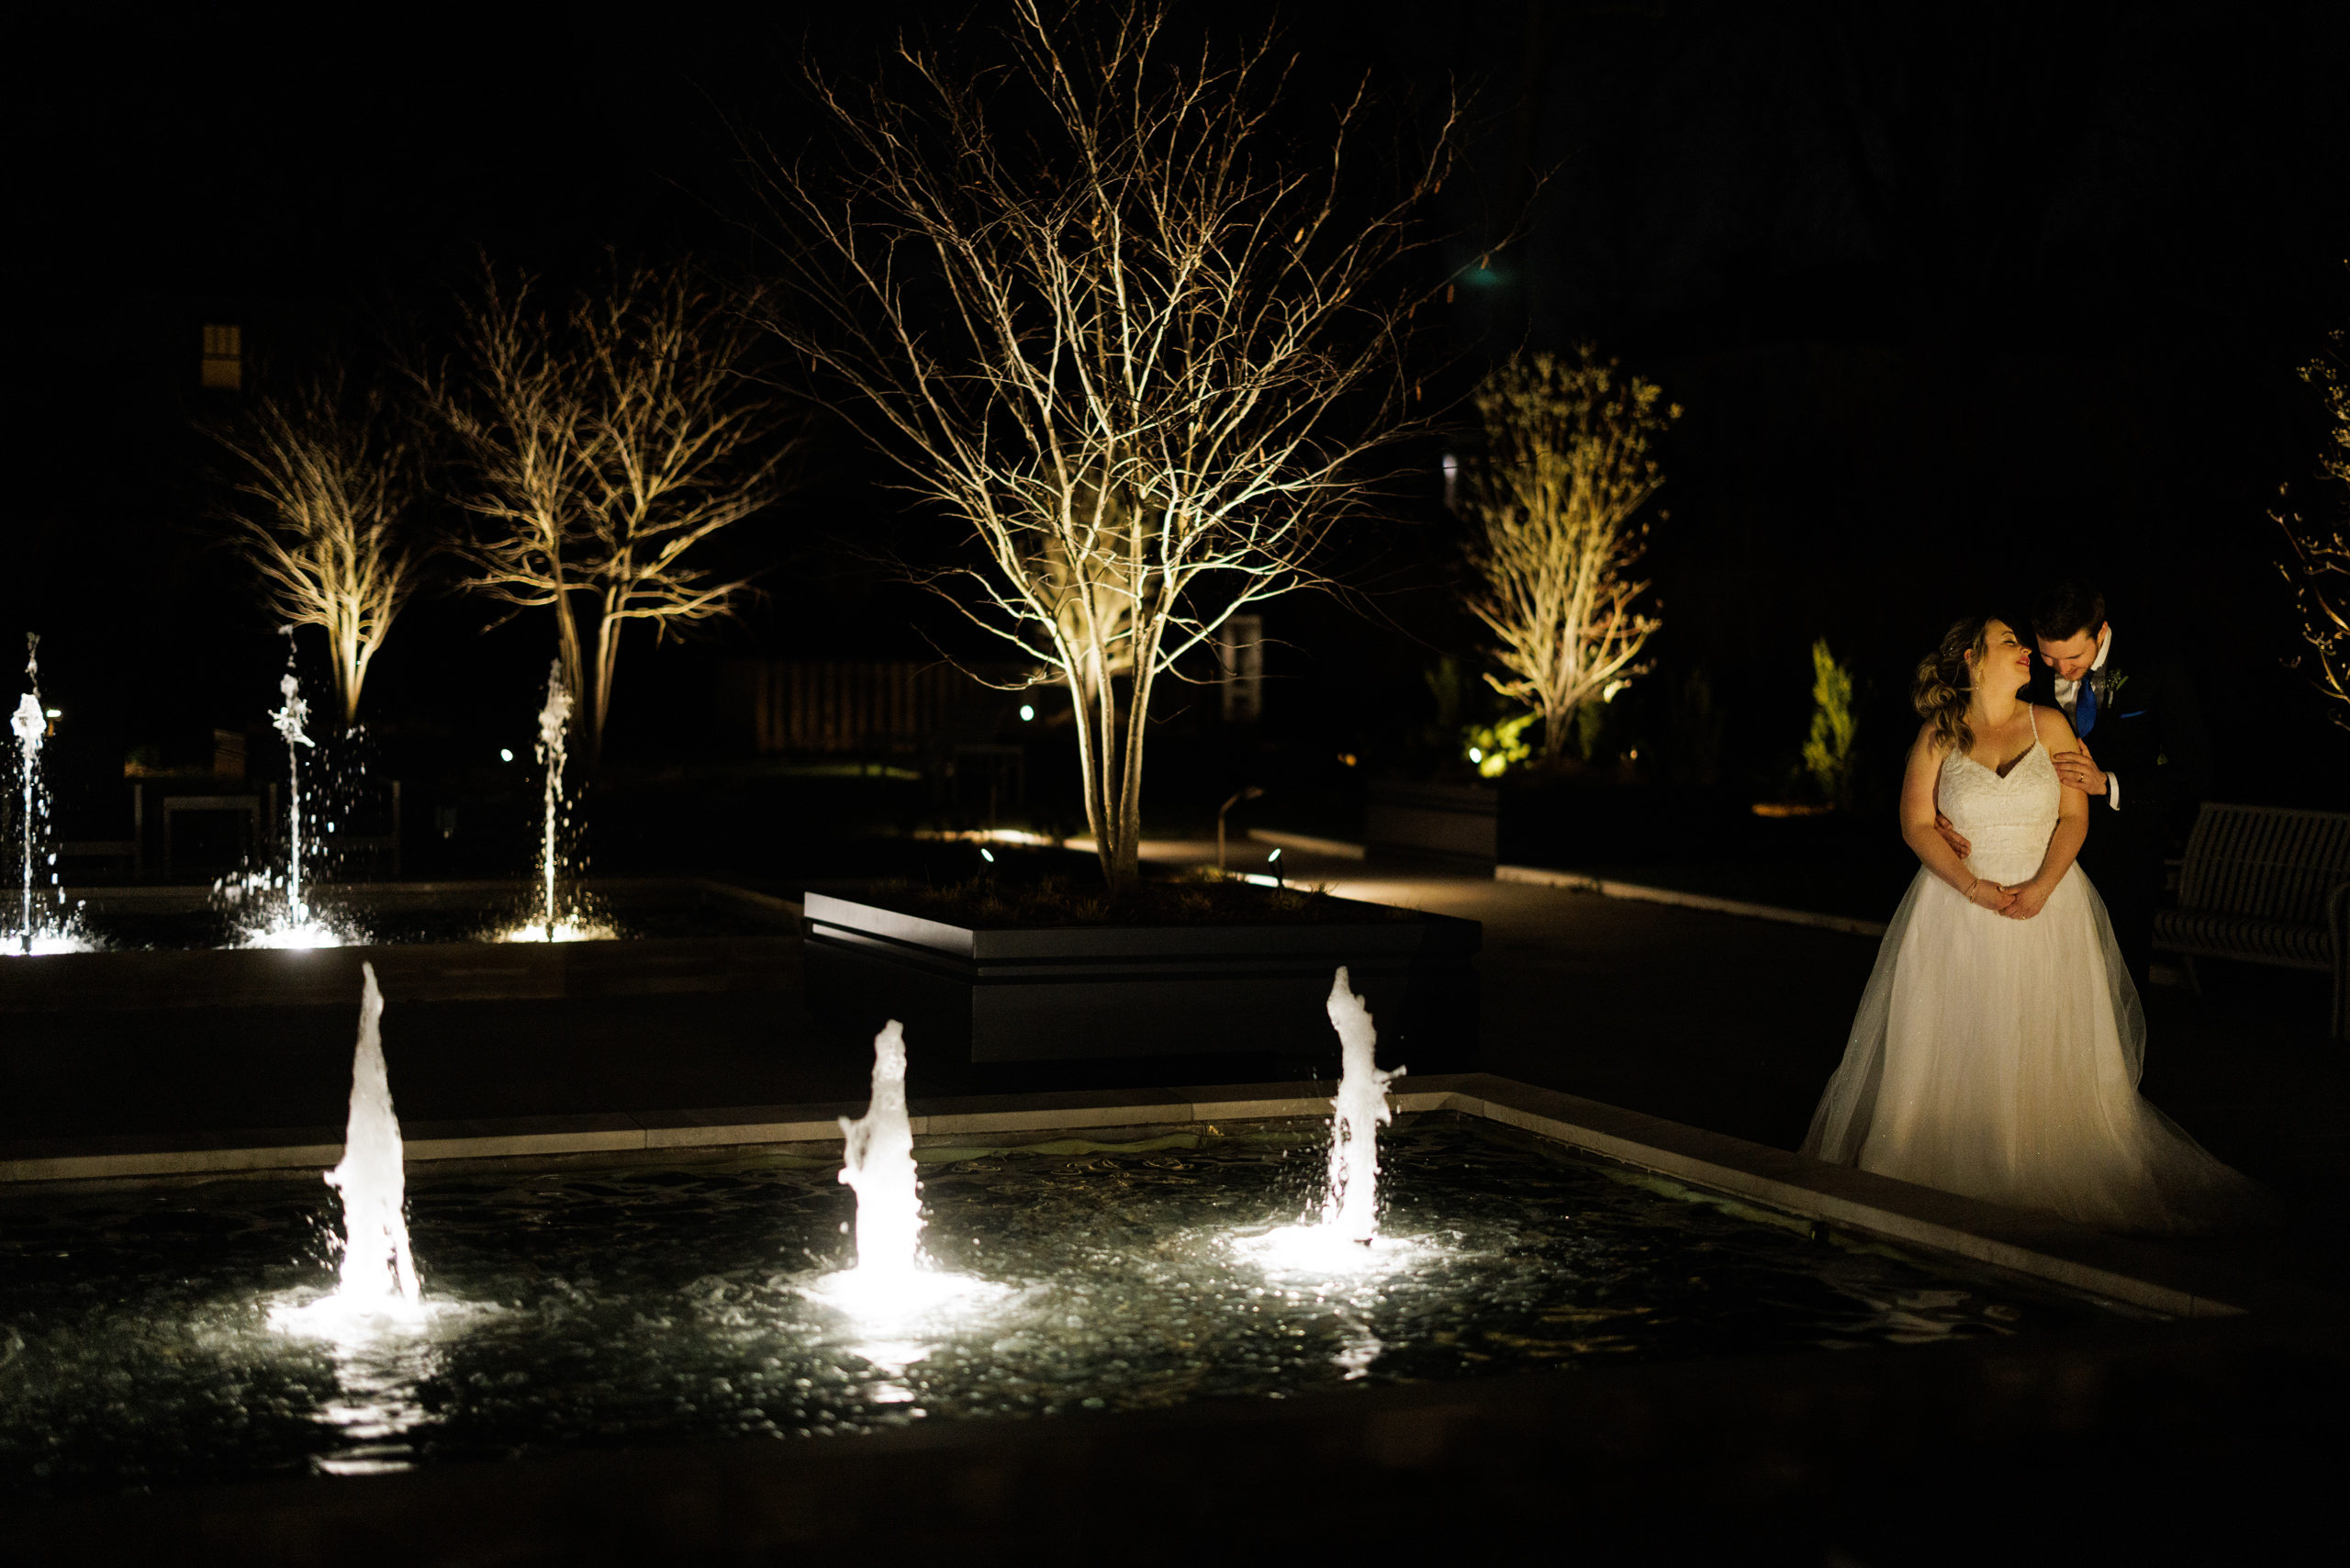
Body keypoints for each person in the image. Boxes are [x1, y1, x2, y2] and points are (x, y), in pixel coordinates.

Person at [1800, 614, 2262, 1231]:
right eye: (2010, 642)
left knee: (2040, 1032)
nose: (2024, 653)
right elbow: (1914, 823)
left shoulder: (2051, 724)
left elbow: (2074, 817)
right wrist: (1971, 886)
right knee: (1962, 1034)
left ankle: (2037, 1159)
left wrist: (2042, 885)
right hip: (1956, 908)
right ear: (1972, 657)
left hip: (2047, 902)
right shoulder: (1940, 733)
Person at [1935, 581, 2210, 994]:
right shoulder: (2026, 671)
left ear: (2100, 633)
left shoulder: (2155, 665)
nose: (2061, 669)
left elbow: (2196, 771)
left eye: (2074, 657)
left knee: (2116, 988)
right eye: (2049, 656)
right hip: (2037, 861)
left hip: (2123, 857)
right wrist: (1947, 810)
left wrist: (2108, 784)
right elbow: (1976, 733)